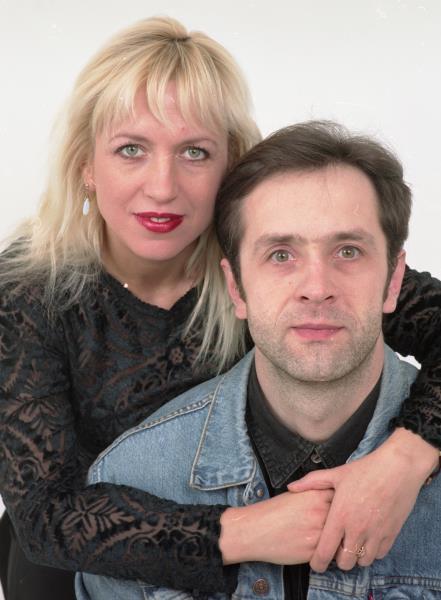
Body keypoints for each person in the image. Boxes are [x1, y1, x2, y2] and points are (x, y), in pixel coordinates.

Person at [0, 14, 440, 600]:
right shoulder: (29, 287)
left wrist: (403, 462)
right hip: (82, 559)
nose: (162, 187)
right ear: (86, 164)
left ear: (230, 163)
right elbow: (45, 516)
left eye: (195, 152)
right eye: (131, 149)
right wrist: (246, 531)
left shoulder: (273, 259)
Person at [77, 121, 441, 600]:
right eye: (281, 254)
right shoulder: (130, 482)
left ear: (394, 282)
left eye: (348, 251)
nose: (316, 287)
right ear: (236, 288)